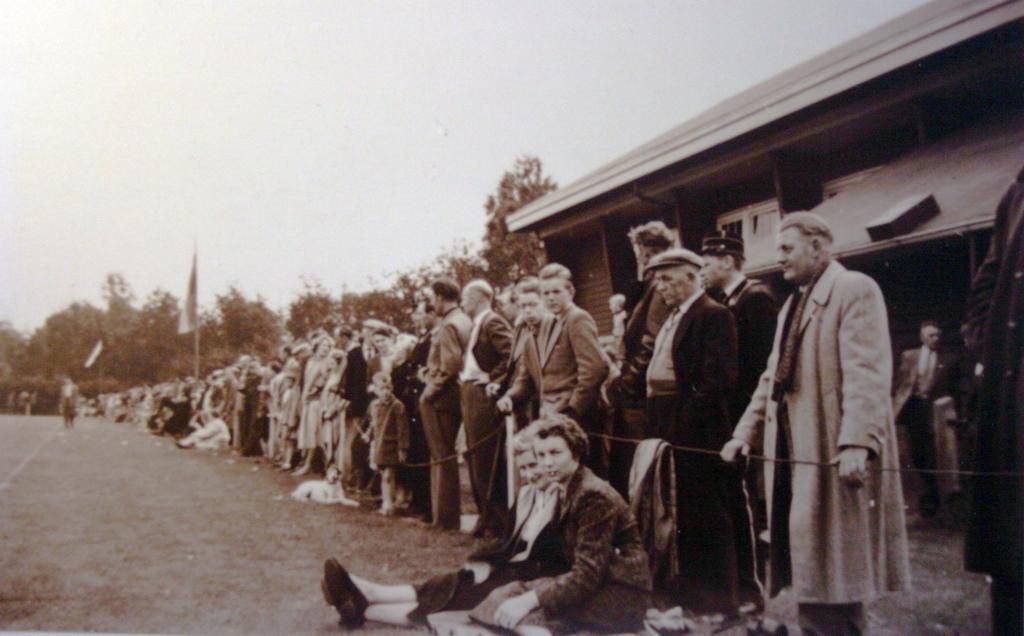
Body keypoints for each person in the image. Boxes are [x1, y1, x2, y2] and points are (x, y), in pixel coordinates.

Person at [721, 212, 911, 635]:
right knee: (814, 568)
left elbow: (868, 374)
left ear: (819, 246)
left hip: (833, 454)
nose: (779, 258)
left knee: (835, 572)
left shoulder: (853, 289)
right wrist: (743, 433)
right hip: (794, 455)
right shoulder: (793, 302)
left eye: (787, 248)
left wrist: (857, 443)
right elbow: (771, 378)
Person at [320, 425, 566, 628]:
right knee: (452, 581)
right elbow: (508, 542)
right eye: (523, 468)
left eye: (533, 465)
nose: (530, 474)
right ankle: (368, 596)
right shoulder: (527, 495)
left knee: (459, 598)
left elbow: (555, 559)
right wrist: (485, 559)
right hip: (510, 571)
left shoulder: (563, 499)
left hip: (531, 581)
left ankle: (364, 604)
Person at [470, 414, 652, 634]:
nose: (547, 463)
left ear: (575, 453)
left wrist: (532, 599)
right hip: (593, 582)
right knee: (503, 597)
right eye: (542, 455)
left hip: (619, 591)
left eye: (555, 453)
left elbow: (588, 574)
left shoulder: (593, 495)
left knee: (526, 614)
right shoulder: (565, 487)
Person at [644, 247, 742, 615]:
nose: (661, 287)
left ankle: (719, 596)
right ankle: (688, 589)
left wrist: (683, 425)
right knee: (677, 509)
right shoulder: (676, 316)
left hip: (697, 431)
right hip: (666, 422)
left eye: (668, 279)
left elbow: (717, 380)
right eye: (658, 280)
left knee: (706, 511)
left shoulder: (713, 315)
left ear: (693, 276)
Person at [700, 230, 779, 610]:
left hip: (747, 423)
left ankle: (755, 590)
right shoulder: (724, 301)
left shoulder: (756, 300)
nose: (703, 268)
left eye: (708, 261)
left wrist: (746, 427)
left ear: (728, 261)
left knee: (750, 509)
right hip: (731, 422)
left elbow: (761, 370)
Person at [962, 165, 1023, 636]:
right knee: (1011, 545)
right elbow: (986, 281)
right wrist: (986, 347)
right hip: (1011, 392)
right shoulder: (1015, 194)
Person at [498, 264, 609, 477]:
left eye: (556, 291)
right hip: (552, 415)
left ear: (571, 291)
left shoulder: (577, 318)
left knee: (586, 475)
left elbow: (594, 369)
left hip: (577, 417)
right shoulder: (548, 325)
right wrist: (510, 397)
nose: (550, 297)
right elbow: (530, 376)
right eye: (546, 293)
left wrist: (573, 409)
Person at [607, 220, 675, 493]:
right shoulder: (645, 288)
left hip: (640, 395)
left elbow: (651, 341)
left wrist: (627, 382)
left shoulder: (658, 289)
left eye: (640, 252)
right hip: (638, 389)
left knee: (640, 466)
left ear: (648, 252)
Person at [892, 320, 964, 517]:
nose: (935, 339)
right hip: (914, 407)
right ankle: (923, 497)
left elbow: (953, 387)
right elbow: (900, 382)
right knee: (916, 452)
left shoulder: (948, 359)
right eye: (931, 335)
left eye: (937, 335)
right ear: (922, 337)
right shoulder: (909, 356)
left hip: (935, 410)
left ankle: (936, 499)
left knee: (935, 452)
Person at [459, 279, 513, 537]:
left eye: (466, 298)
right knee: (474, 455)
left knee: (484, 457)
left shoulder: (492, 321)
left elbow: (512, 353)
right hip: (470, 392)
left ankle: (495, 521)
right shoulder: (477, 325)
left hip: (483, 395)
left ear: (480, 298)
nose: (462, 303)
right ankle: (485, 517)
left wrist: (493, 378)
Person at [367, 372, 409, 516]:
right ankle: (389, 501)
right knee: (383, 474)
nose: (385, 392)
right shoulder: (375, 406)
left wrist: (402, 449)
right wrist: (369, 435)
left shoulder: (398, 406)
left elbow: (402, 429)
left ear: (391, 388)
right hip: (379, 446)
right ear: (376, 391)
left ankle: (389, 505)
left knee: (388, 476)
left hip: (392, 446)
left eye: (387, 388)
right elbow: (374, 424)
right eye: (381, 389)